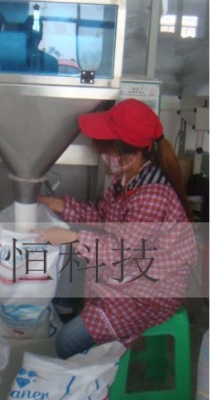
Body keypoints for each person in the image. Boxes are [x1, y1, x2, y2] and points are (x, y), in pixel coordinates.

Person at [36, 98, 196, 359]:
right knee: (68, 275)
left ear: (131, 154)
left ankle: (89, 375)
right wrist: (62, 206)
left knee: (66, 342)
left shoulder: (152, 197)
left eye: (107, 149)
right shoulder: (127, 179)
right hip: (129, 277)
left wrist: (71, 238)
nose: (103, 156)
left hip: (149, 293)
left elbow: (123, 251)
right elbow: (104, 216)